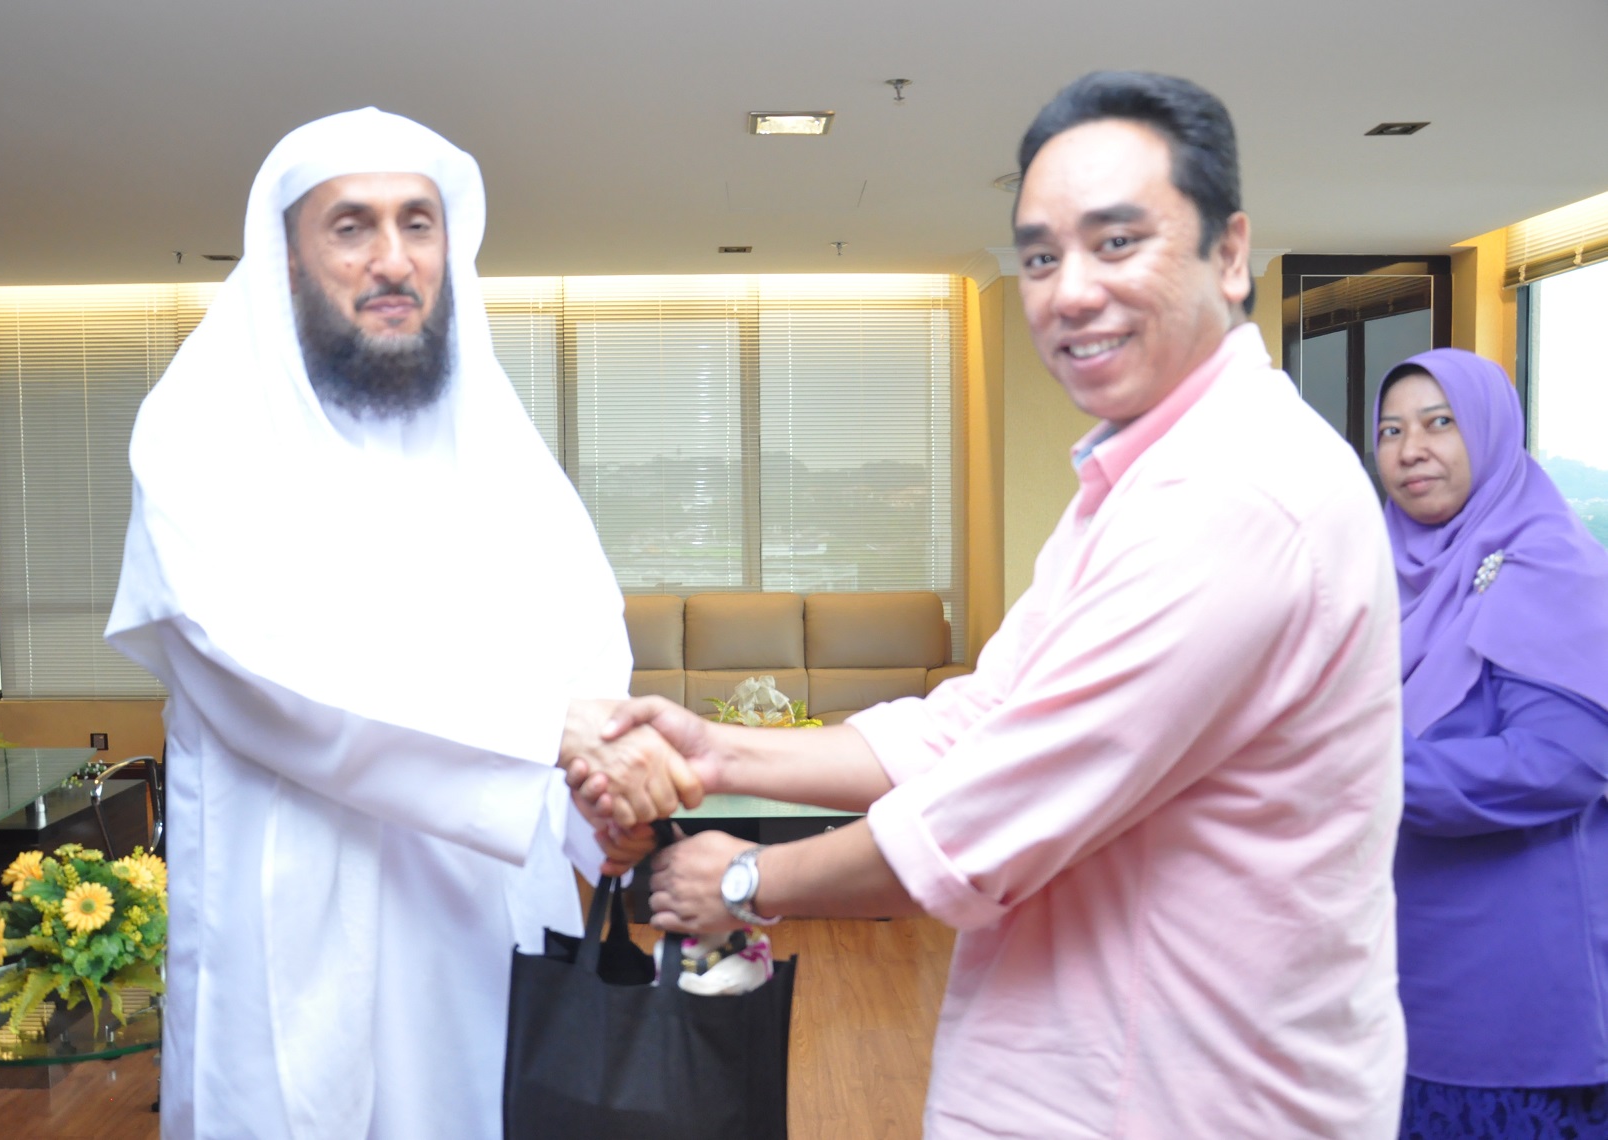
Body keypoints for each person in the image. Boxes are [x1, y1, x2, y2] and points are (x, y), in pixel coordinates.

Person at [573, 71, 1407, 1137]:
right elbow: (973, 722)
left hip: (1181, 1101)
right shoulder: (1139, 481)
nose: (1069, 292)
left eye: (1117, 242)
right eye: (1040, 257)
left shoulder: (1237, 495)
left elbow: (986, 817)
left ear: (1231, 253)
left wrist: (745, 878)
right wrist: (718, 748)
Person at [106, 108, 695, 1140]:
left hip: (485, 913)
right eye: (352, 226)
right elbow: (258, 668)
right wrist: (543, 733)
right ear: (288, 256)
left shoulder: (496, 442)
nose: (393, 259)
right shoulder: (200, 429)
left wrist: (598, 801)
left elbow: (581, 642)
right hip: (290, 915)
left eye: (418, 223)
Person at [1375, 349, 1608, 1138]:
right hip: (1393, 964)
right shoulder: (1376, 572)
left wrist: (1363, 771)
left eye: (1439, 423)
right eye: (1391, 431)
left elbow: (1560, 764)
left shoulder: (1552, 564)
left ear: (1490, 430)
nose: (1412, 450)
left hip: (1513, 974)